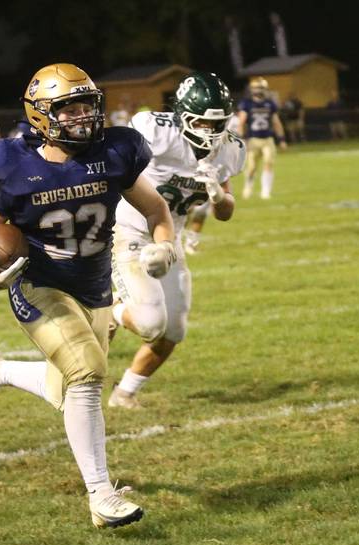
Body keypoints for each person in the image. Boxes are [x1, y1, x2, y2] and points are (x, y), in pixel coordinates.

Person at [0, 63, 176, 528]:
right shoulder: (10, 164)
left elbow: (156, 208)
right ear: (39, 115)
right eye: (68, 108)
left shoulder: (114, 152)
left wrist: (165, 246)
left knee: (67, 388)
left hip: (95, 286)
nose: (81, 117)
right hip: (40, 284)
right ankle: (101, 495)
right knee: (89, 375)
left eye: (86, 105)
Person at [108, 72, 244, 408]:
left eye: (217, 125)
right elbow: (112, 167)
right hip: (130, 229)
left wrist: (218, 197)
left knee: (174, 331)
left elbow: (226, 212)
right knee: (151, 324)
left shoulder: (229, 149)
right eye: (201, 123)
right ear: (182, 116)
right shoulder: (156, 131)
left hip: (172, 238)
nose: (210, 133)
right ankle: (107, 311)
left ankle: (124, 393)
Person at [238, 76, 286, 199]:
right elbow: (241, 122)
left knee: (268, 163)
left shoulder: (270, 103)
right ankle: (248, 186)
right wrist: (242, 139)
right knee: (252, 167)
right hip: (253, 139)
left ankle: (265, 191)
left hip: (267, 138)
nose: (259, 90)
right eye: (257, 88)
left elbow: (276, 122)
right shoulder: (247, 103)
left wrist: (281, 139)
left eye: (261, 88)